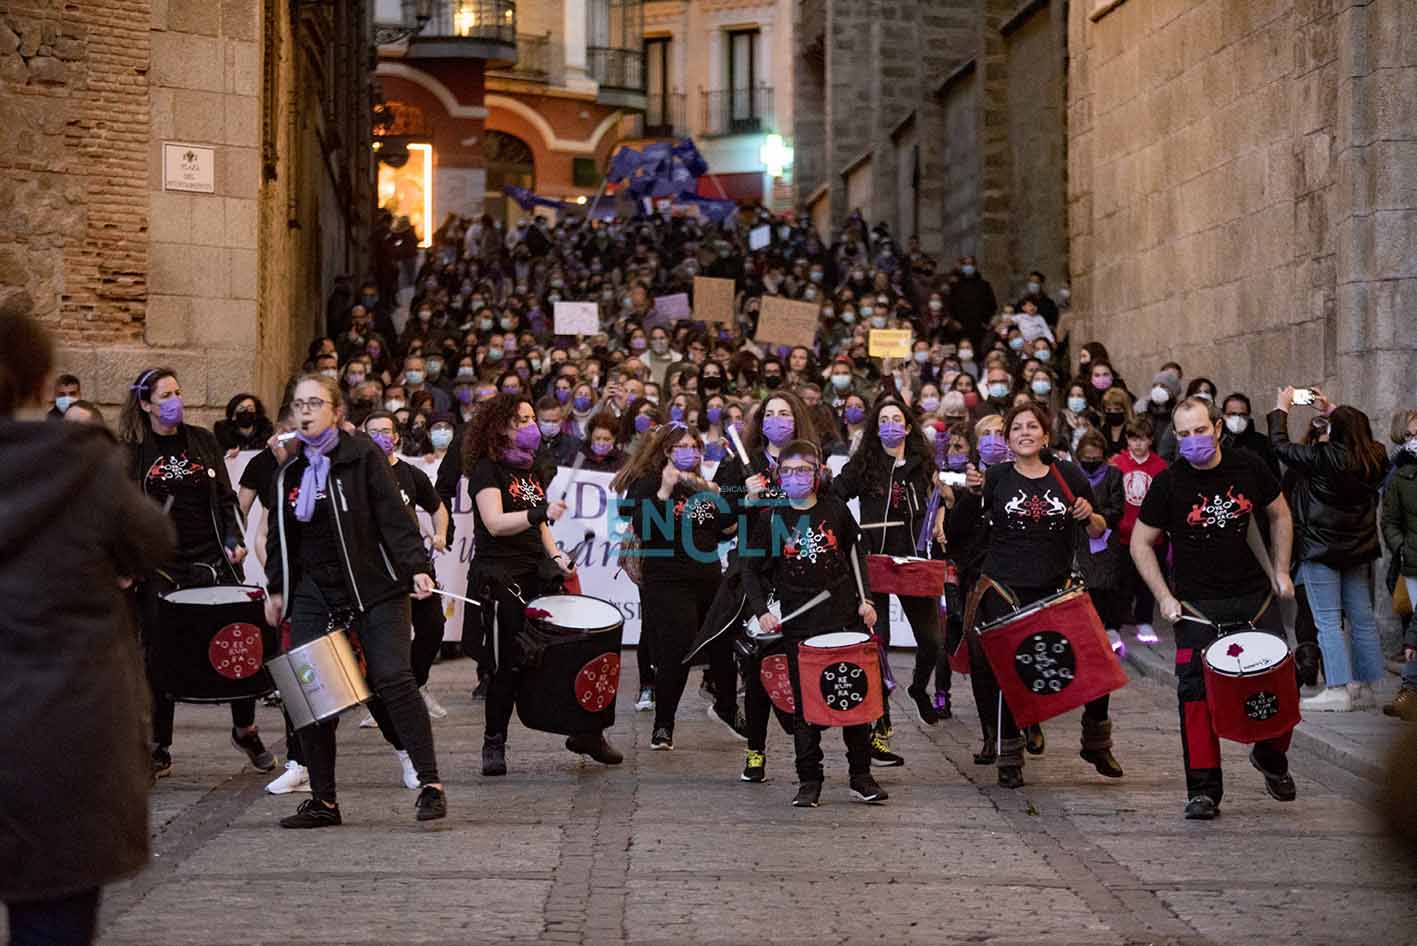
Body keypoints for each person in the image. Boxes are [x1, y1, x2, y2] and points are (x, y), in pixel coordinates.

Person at [2, 313, 176, 946]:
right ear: (47, 384)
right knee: (53, 924)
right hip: (63, 728)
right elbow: (155, 541)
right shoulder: (81, 465)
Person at [263, 374, 447, 827]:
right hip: (315, 591)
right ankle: (324, 801)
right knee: (312, 692)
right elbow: (280, 536)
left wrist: (415, 567)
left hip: (375, 586)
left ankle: (430, 784)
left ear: (336, 412)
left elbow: (394, 515)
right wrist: (277, 587)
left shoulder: (362, 455)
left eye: (315, 403)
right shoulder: (291, 470)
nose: (305, 411)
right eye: (298, 404)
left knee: (392, 678)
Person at [1131, 396, 1298, 820]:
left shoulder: (1249, 467)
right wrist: (1165, 598)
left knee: (1279, 684)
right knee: (1194, 696)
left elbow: (1279, 515)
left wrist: (1281, 570)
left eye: (1200, 431)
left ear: (1218, 427)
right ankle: (1204, 790)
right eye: (1183, 435)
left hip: (1254, 599)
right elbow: (1140, 543)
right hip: (1197, 607)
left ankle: (1271, 756)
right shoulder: (1168, 484)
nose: (1193, 441)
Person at [951, 403, 1121, 788]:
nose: (1024, 432)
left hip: (1057, 587)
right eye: (1016, 428)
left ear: (1046, 436)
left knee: (1098, 658)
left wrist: (1088, 514)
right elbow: (964, 528)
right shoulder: (995, 477)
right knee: (1009, 673)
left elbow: (1098, 531)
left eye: (1032, 427)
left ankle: (1096, 741)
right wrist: (970, 493)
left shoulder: (1069, 474)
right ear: (1008, 439)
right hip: (1004, 587)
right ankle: (1009, 756)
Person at [120, 368, 272, 779]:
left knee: (236, 641)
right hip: (161, 566)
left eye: (177, 391)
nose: (175, 399)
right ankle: (160, 746)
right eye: (165, 394)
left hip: (211, 560)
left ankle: (246, 729)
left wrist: (232, 539)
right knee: (161, 654)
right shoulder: (133, 452)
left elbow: (226, 500)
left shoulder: (203, 441)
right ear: (146, 403)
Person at [463, 394, 621, 775]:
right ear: (500, 426)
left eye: (532, 418)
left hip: (537, 574)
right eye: (522, 419)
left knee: (573, 653)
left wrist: (556, 556)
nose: (531, 425)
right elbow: (495, 523)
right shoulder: (488, 470)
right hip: (500, 579)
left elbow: (542, 527)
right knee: (505, 667)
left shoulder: (531, 471)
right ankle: (494, 742)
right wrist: (538, 512)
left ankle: (586, 733)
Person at [742, 439, 887, 807]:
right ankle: (809, 780)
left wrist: (866, 600)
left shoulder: (835, 510)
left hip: (843, 620)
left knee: (853, 696)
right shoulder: (772, 518)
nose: (796, 477)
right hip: (799, 627)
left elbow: (857, 554)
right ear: (778, 475)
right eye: (788, 471)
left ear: (818, 472)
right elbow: (750, 570)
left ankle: (861, 776)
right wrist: (762, 611)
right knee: (806, 707)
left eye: (804, 470)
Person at [831, 397, 945, 761]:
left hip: (912, 561)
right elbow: (834, 496)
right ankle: (881, 728)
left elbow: (942, 499)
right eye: (884, 420)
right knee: (875, 646)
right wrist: (852, 533)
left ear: (908, 427)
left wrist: (941, 515)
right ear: (875, 428)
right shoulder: (863, 464)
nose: (891, 425)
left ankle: (919, 688)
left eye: (897, 419)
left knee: (932, 642)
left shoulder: (923, 465)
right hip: (873, 564)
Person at [613, 422, 738, 750]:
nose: (690, 453)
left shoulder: (703, 486)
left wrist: (740, 500)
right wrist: (665, 492)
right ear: (667, 451)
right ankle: (663, 724)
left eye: (695, 447)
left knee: (723, 644)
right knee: (676, 652)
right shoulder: (648, 482)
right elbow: (642, 526)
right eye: (682, 447)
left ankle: (727, 708)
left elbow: (726, 526)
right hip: (667, 581)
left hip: (708, 575)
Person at [1269, 388, 1389, 713]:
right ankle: (1366, 685)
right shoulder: (1376, 456)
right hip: (1358, 550)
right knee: (1362, 619)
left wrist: (1281, 408)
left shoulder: (1322, 458)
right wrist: (1334, 410)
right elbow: (1355, 431)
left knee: (1327, 621)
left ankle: (1337, 689)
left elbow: (1280, 446)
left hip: (1321, 550)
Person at [363, 411, 450, 723]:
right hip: (377, 571)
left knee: (432, 628)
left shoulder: (412, 475)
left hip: (415, 565)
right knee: (384, 639)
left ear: (397, 436)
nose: (381, 437)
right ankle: (387, 700)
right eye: (373, 432)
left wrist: (440, 534)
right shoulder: (357, 476)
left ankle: (415, 686)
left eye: (386, 431)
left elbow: (438, 508)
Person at [1110, 416, 1167, 645]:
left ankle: (1145, 620)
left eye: (1142, 439)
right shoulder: (1116, 464)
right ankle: (1112, 624)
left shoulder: (1161, 467)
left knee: (1147, 581)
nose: (1138, 444)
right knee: (1119, 582)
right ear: (1127, 440)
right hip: (1122, 536)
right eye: (1133, 439)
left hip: (1153, 538)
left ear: (1150, 440)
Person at [1381, 408, 1417, 721]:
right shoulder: (1401, 472)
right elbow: (1390, 518)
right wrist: (1403, 548)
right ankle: (1409, 691)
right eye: (1410, 435)